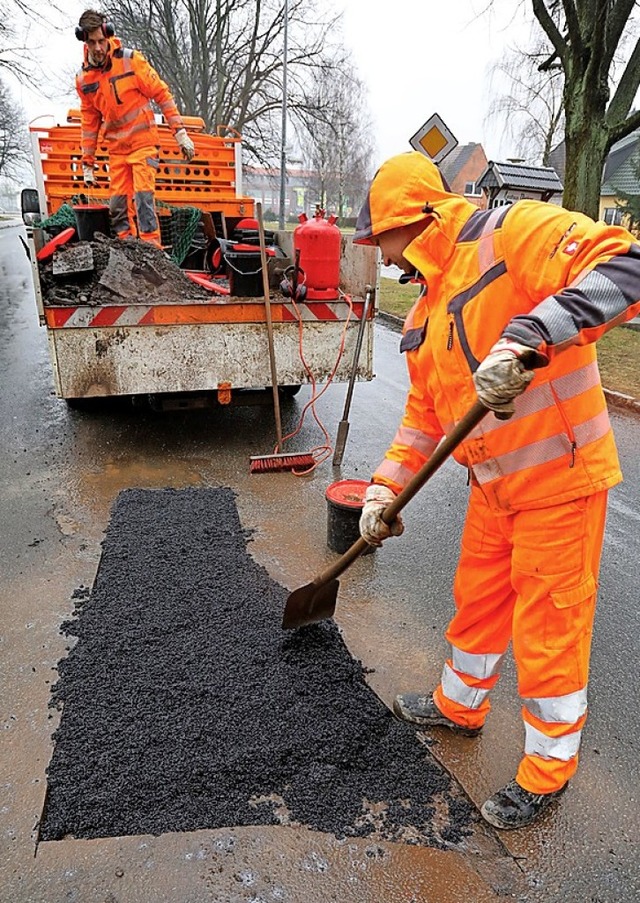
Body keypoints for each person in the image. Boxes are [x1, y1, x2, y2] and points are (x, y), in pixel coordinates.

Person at [353, 150, 640, 830]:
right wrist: (380, 492)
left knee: (549, 628)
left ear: (410, 221)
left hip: (560, 479)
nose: (378, 254)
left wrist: (532, 334)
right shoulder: (423, 315)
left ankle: (547, 770)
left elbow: (627, 266)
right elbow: (421, 425)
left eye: (379, 238)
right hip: (494, 487)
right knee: (476, 604)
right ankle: (460, 705)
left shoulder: (510, 235)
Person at [75, 9, 195, 247]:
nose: (98, 48)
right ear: (84, 42)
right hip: (117, 150)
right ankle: (126, 249)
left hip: (143, 143)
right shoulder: (84, 80)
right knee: (117, 205)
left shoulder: (131, 61)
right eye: (92, 42)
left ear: (108, 35)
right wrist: (87, 162)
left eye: (101, 41)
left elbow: (162, 94)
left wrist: (180, 132)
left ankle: (152, 249)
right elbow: (89, 123)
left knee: (143, 198)